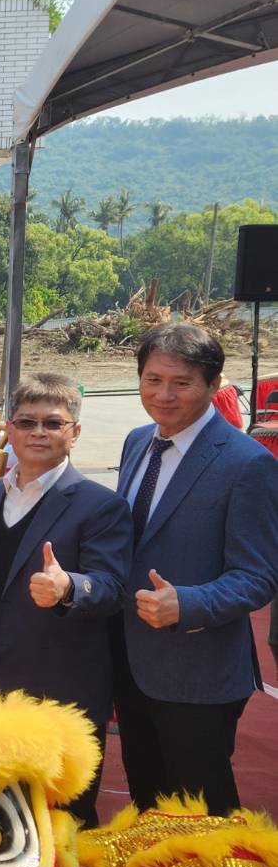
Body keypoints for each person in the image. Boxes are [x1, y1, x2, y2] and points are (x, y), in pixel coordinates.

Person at [0, 373, 131, 828]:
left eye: (53, 423)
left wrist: (69, 586)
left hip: (60, 692)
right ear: (8, 428)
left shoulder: (99, 505)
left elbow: (112, 587)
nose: (38, 433)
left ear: (74, 433)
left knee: (60, 819)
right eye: (27, 422)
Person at [113, 323, 278, 817]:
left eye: (181, 383)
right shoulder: (137, 441)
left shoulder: (247, 463)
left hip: (197, 671)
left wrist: (187, 604)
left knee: (203, 815)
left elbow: (259, 576)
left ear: (213, 384)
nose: (163, 395)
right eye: (152, 379)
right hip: (130, 662)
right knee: (149, 804)